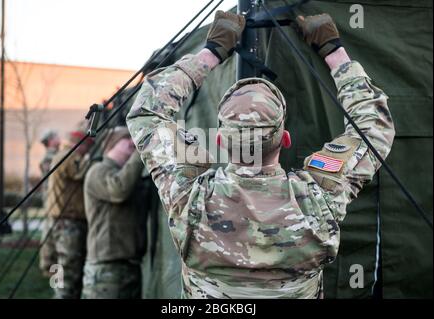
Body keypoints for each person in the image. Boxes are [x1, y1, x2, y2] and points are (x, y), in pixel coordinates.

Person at [126, 11, 395, 299]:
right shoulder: (320, 196)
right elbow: (373, 126)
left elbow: (147, 112)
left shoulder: (189, 197)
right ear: (286, 139)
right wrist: (333, 50)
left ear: (220, 140)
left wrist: (211, 52)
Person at [81, 127, 147, 299]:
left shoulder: (129, 175)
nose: (133, 141)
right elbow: (119, 190)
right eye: (127, 138)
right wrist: (141, 152)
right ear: (111, 145)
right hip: (107, 268)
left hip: (130, 266)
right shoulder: (98, 171)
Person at [46, 126, 94, 299]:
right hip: (68, 223)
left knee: (60, 266)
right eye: (87, 147)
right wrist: (91, 158)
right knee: (68, 269)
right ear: (80, 145)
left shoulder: (61, 155)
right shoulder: (69, 156)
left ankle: (57, 293)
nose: (87, 151)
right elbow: (80, 173)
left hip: (60, 221)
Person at [38, 130, 61, 276]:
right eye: (57, 136)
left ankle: (49, 263)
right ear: (51, 140)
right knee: (49, 230)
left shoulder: (54, 156)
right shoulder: (50, 158)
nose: (60, 138)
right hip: (51, 199)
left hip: (52, 198)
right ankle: (47, 264)